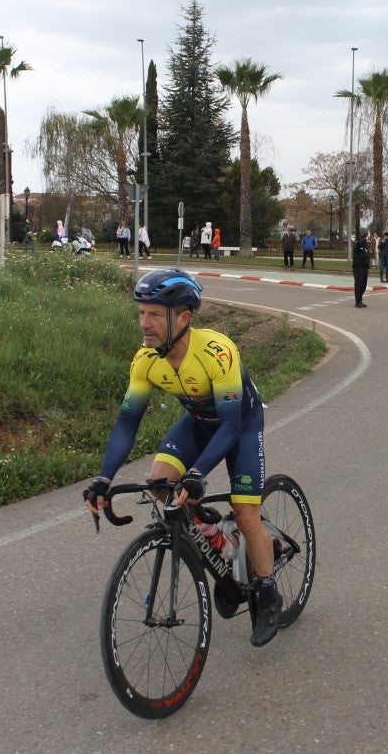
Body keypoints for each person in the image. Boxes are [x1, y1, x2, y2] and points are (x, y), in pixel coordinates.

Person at [81, 269, 282, 646]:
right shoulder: (145, 360)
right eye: (141, 313)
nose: (145, 323)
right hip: (198, 421)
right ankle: (214, 540)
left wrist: (197, 473)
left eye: (155, 314)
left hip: (238, 425)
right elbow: (127, 421)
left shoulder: (216, 351)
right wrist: (104, 479)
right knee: (160, 484)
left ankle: (268, 592)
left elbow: (230, 425)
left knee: (245, 513)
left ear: (184, 317)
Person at [351, 234, 370, 308]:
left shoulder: (366, 247)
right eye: (367, 238)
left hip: (365, 267)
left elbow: (367, 257)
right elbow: (357, 245)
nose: (368, 239)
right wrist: (362, 239)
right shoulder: (358, 246)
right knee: (358, 284)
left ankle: (360, 299)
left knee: (364, 285)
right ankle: (358, 301)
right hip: (358, 267)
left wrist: (368, 267)